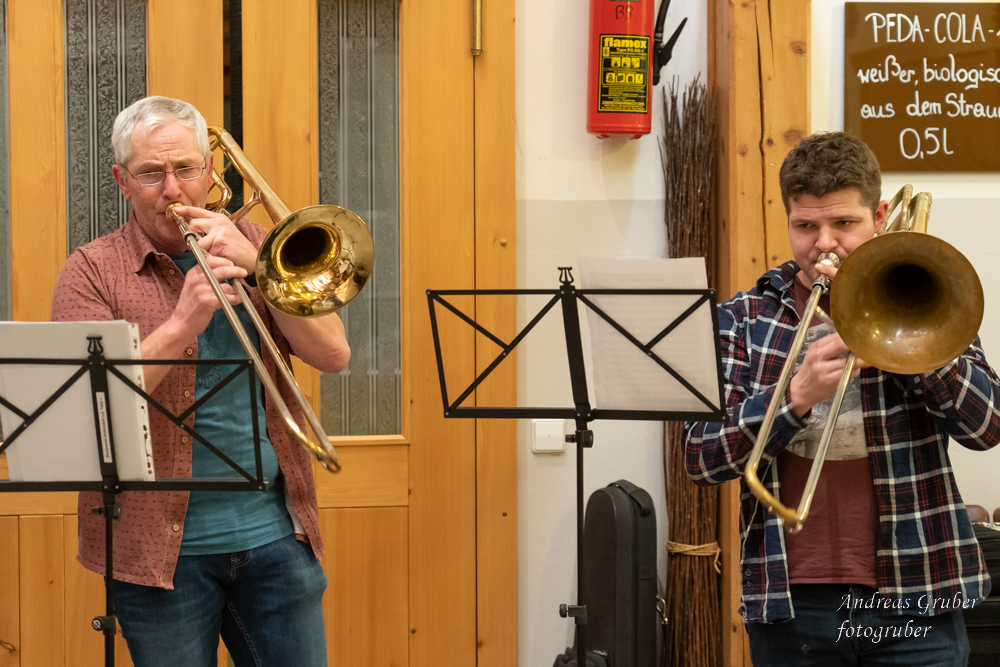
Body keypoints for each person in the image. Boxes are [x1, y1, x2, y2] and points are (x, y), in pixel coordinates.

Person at [51, 95, 350, 667]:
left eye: (186, 168)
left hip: (276, 538)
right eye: (151, 173)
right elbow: (83, 405)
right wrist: (182, 323)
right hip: (156, 553)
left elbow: (334, 354)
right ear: (121, 180)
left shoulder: (259, 242)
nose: (173, 189)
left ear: (211, 171)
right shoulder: (92, 270)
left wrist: (262, 269)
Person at [683, 132, 1000, 666]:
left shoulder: (925, 296)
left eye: (844, 223)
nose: (824, 243)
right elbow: (700, 456)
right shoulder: (743, 318)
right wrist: (794, 397)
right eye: (805, 226)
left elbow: (987, 426)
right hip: (793, 600)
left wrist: (910, 343)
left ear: (880, 216)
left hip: (919, 589)